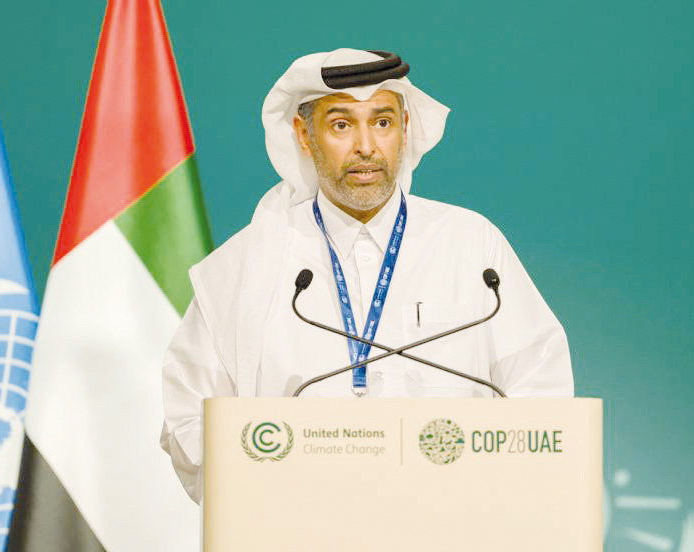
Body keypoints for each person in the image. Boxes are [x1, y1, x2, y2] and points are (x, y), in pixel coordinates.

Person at [161, 49, 573, 502]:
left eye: (382, 122)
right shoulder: (244, 266)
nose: (366, 147)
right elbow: (189, 418)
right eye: (341, 125)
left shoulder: (472, 247)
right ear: (303, 134)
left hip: (453, 531)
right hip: (296, 539)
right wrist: (266, 484)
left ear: (405, 129)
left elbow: (542, 395)